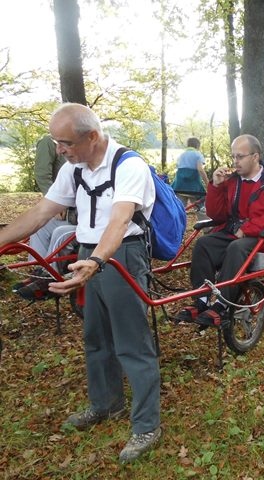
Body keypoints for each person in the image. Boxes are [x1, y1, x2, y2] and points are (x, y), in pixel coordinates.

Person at [0, 103, 162, 463]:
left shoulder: (128, 165)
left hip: (121, 254)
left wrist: (96, 261)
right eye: (56, 141)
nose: (60, 149)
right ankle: (107, 405)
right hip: (88, 251)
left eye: (65, 142)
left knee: (131, 343)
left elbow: (120, 220)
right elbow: (42, 212)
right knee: (96, 337)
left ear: (92, 136)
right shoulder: (74, 168)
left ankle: (147, 424)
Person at [174, 134, 264, 325]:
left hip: (263, 237)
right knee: (203, 244)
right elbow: (217, 215)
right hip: (233, 232)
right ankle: (202, 300)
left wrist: (248, 229)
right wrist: (216, 186)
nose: (235, 162)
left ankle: (223, 305)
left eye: (240, 156)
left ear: (255, 157)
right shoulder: (232, 181)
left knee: (237, 247)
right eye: (233, 157)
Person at [13, 135, 77, 300]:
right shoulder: (52, 146)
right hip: (70, 210)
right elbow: (43, 174)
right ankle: (39, 273)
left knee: (61, 232)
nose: (60, 149)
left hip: (84, 221)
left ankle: (49, 275)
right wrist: (55, 203)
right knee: (41, 227)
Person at [171, 137, 208, 208]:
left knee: (180, 208)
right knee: (199, 207)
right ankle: (201, 218)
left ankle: (179, 219)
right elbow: (200, 169)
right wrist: (207, 183)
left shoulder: (181, 155)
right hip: (194, 188)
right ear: (197, 146)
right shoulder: (197, 154)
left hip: (180, 186)